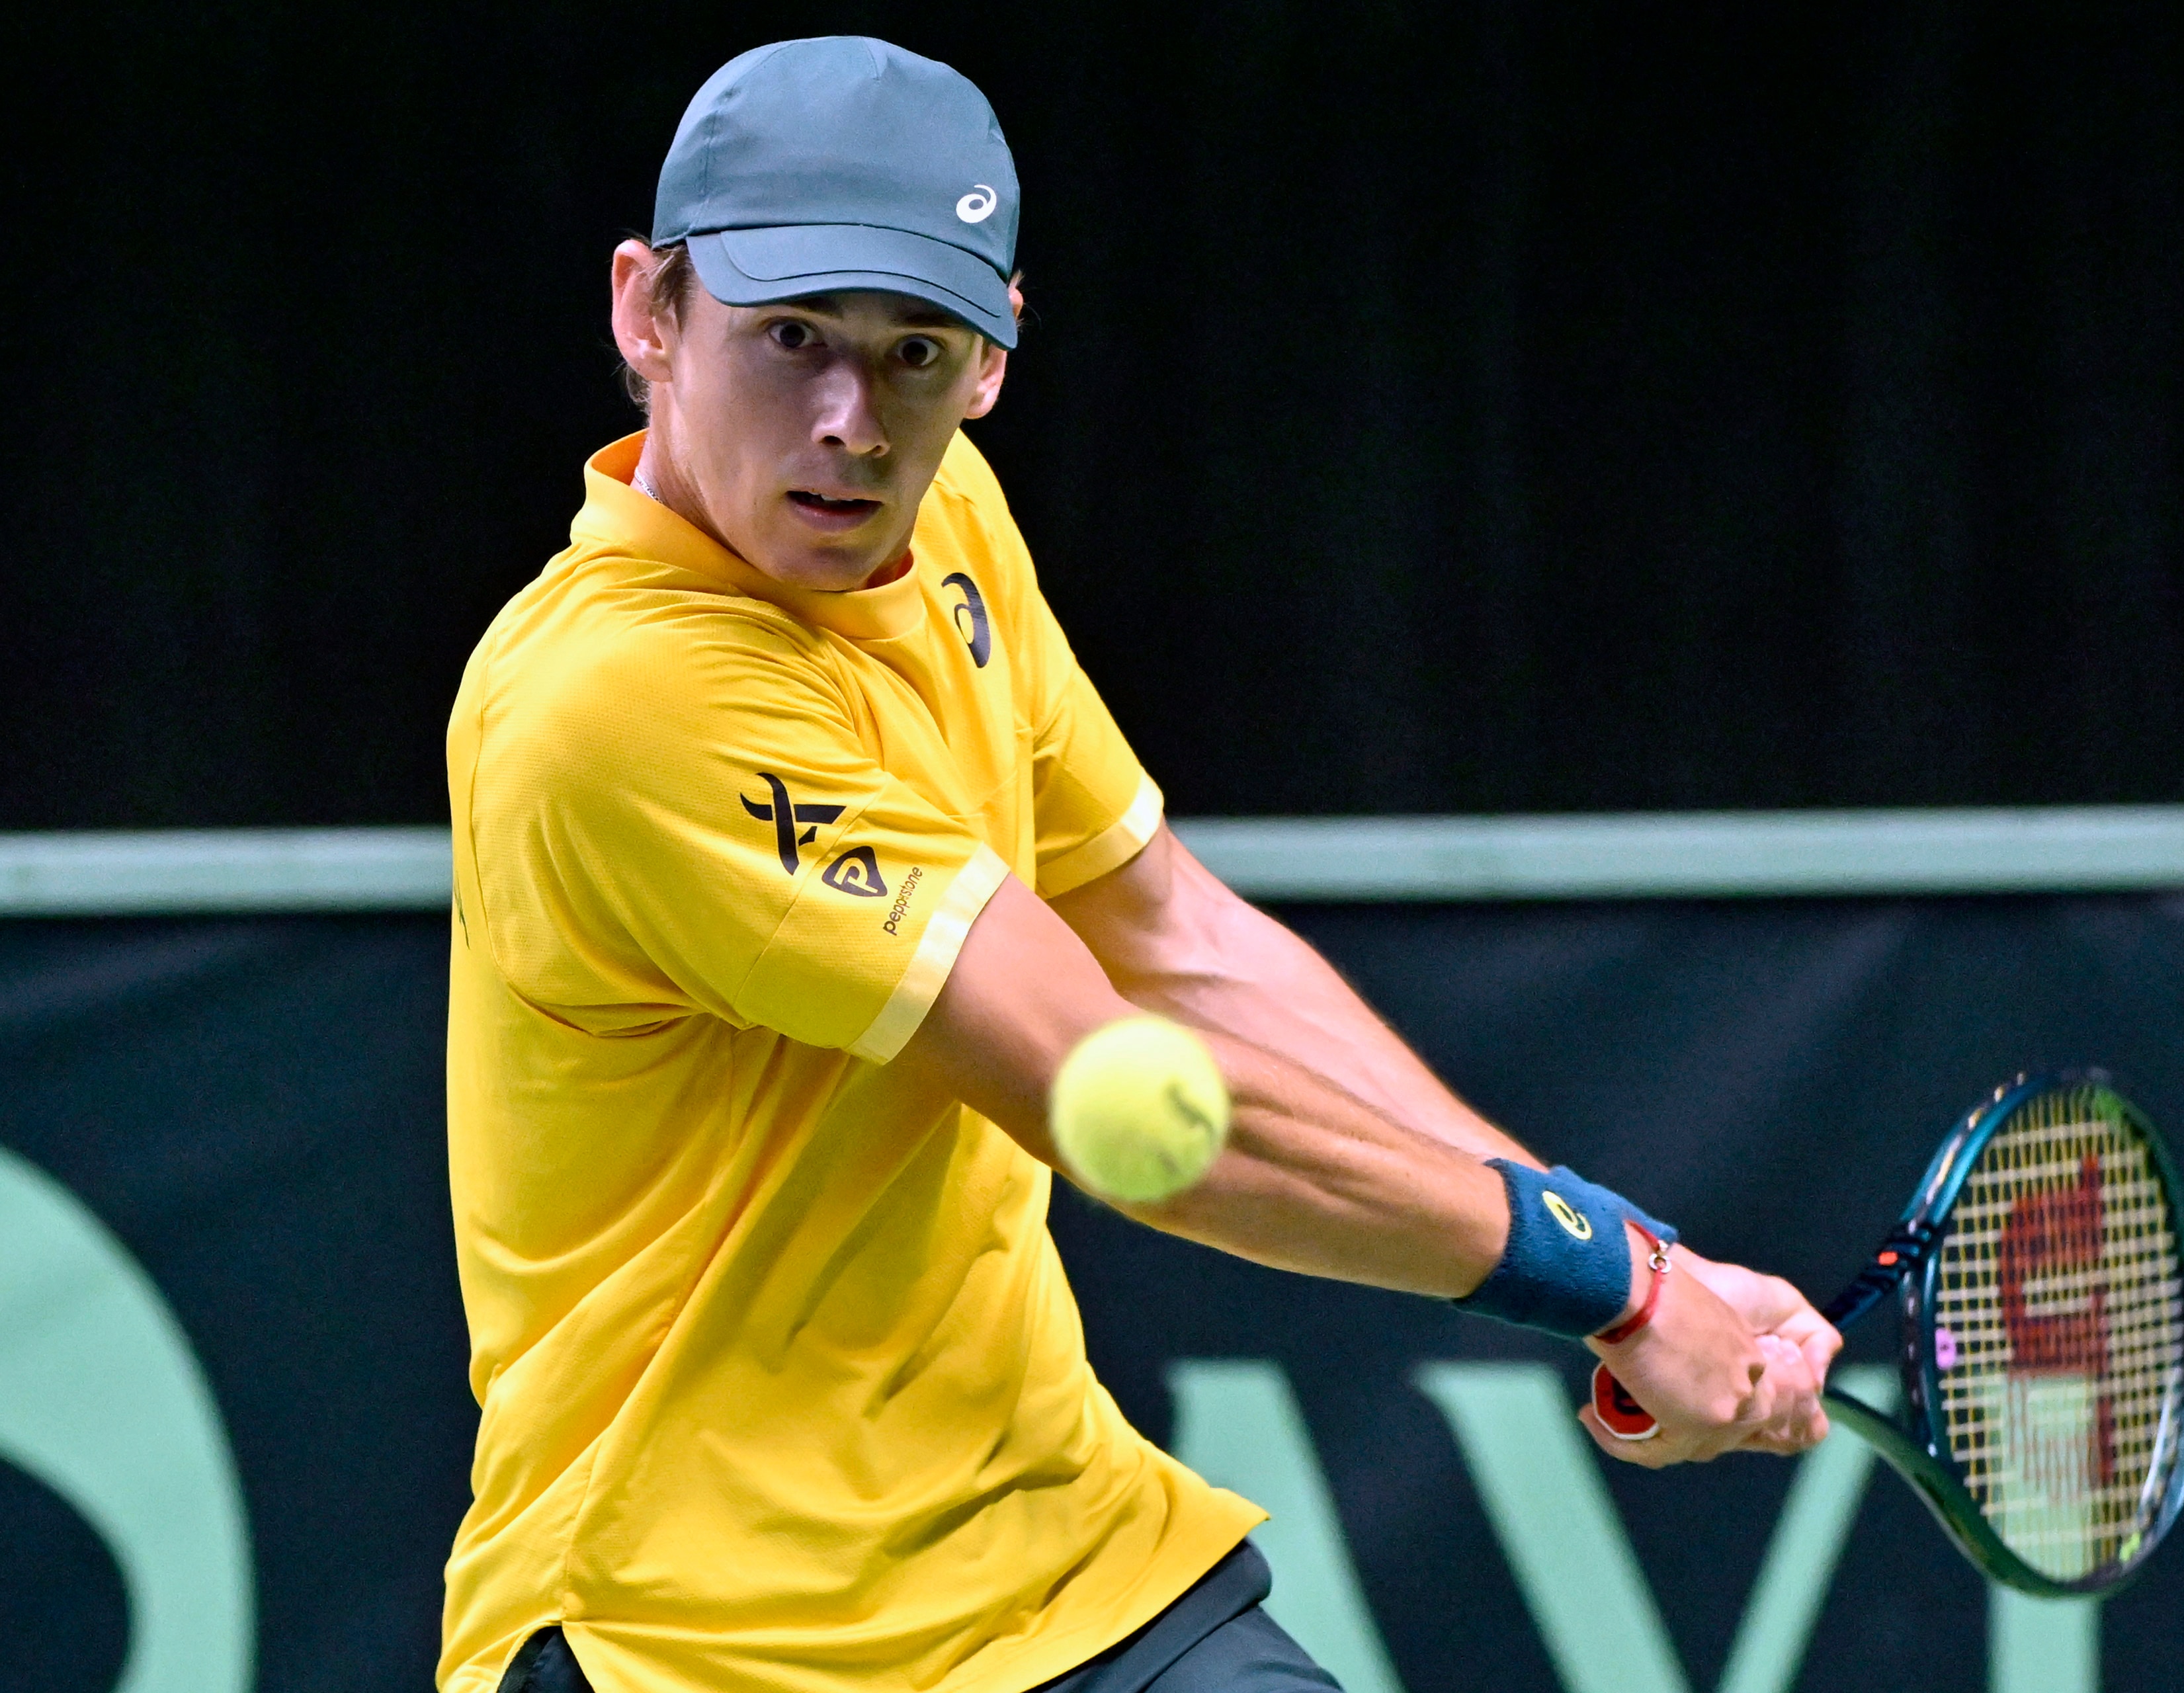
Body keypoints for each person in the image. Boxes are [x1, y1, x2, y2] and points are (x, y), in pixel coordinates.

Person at [441, 36, 1836, 1693]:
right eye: (789, 336)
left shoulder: (942, 519)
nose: (848, 421)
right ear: (645, 312)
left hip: (1058, 1568)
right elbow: (1121, 1095)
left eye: (913, 352)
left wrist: (1624, 1249)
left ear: (993, 360)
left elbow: (1177, 936)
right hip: (692, 1636)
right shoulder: (621, 699)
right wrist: (1606, 1283)